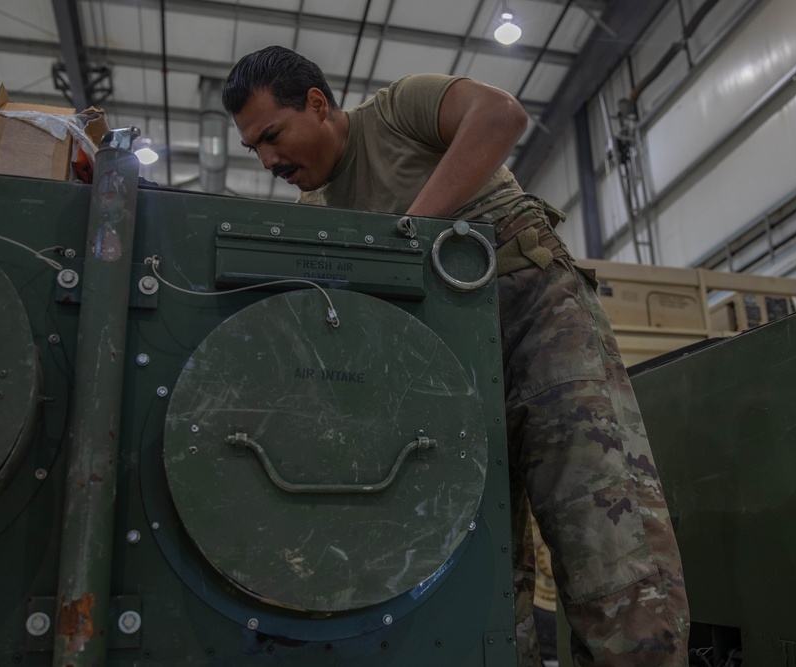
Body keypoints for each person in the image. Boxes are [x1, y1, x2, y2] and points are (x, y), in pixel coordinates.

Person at [222, 45, 690, 667]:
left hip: (537, 320)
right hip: (443, 376)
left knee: (606, 530)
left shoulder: (397, 111)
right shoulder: (313, 216)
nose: (267, 159)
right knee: (481, 570)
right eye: (254, 148)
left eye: (272, 135)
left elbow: (500, 117)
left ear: (316, 103)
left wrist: (406, 238)